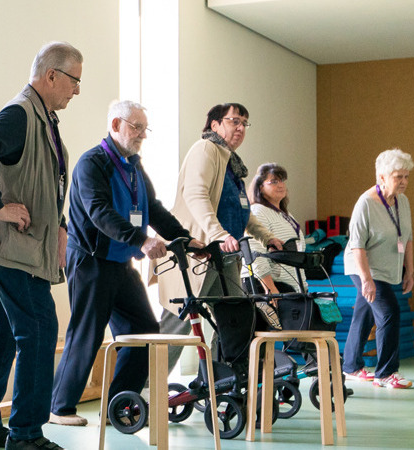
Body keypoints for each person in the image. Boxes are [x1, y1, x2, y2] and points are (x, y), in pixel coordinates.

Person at [47, 101, 201, 427]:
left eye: (145, 128)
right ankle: (59, 408)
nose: (142, 135)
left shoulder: (133, 165)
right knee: (87, 333)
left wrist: (185, 239)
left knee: (145, 330)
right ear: (116, 124)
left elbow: (153, 209)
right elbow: (99, 211)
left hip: (121, 264)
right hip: (91, 262)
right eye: (136, 127)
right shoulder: (93, 163)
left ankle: (119, 404)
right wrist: (141, 240)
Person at [0, 41, 82, 450]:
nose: (77, 90)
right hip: (14, 248)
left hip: (21, 248)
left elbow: (49, 180)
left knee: (6, 336)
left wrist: (62, 225)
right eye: (74, 81)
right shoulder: (19, 114)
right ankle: (26, 435)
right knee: (40, 329)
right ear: (51, 75)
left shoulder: (42, 117)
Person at [156, 103, 282, 370]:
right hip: (198, 252)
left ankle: (223, 381)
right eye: (234, 121)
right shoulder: (206, 149)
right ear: (214, 125)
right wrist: (218, 234)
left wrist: (266, 236)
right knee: (178, 322)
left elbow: (240, 210)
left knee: (233, 322)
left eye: (244, 123)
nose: (240, 127)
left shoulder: (232, 163)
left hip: (224, 255)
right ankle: (145, 387)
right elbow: (195, 195)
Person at [342, 149, 414, 389]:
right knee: (389, 311)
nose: (403, 182)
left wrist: (410, 271)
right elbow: (357, 246)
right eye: (398, 177)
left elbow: (408, 238)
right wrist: (366, 280)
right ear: (382, 177)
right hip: (364, 267)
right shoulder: (365, 203)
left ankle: (350, 366)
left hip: (387, 267)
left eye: (406, 176)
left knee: (364, 313)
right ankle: (386, 373)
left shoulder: (402, 201)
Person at [245, 163, 309, 295]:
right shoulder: (258, 211)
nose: (280, 185)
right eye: (273, 182)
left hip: (291, 287)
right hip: (271, 288)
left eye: (282, 181)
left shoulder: (285, 214)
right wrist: (270, 289)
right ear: (260, 187)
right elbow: (255, 254)